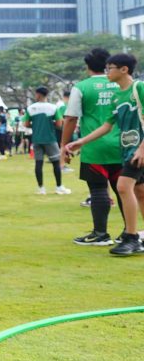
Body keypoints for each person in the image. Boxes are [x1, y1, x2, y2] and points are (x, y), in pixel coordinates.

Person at [64, 53, 144, 256]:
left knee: (123, 187)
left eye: (110, 68)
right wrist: (80, 141)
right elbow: (107, 125)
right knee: (140, 192)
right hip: (128, 149)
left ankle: (131, 237)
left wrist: (142, 148)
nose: (107, 72)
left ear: (124, 69)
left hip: (139, 150)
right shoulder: (117, 96)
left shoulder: (139, 88)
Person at [61, 48, 123, 246]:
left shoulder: (82, 87)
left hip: (94, 144)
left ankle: (100, 233)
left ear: (87, 65)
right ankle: (128, 232)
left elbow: (71, 118)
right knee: (124, 190)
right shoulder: (121, 84)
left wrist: (64, 145)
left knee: (98, 189)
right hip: (122, 144)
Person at [24, 87, 69, 195]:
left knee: (38, 163)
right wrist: (50, 124)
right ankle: (59, 187)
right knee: (55, 163)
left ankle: (41, 189)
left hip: (36, 139)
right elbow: (59, 124)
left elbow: (26, 124)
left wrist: (36, 125)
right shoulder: (53, 108)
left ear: (39, 94)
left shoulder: (31, 108)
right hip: (50, 139)